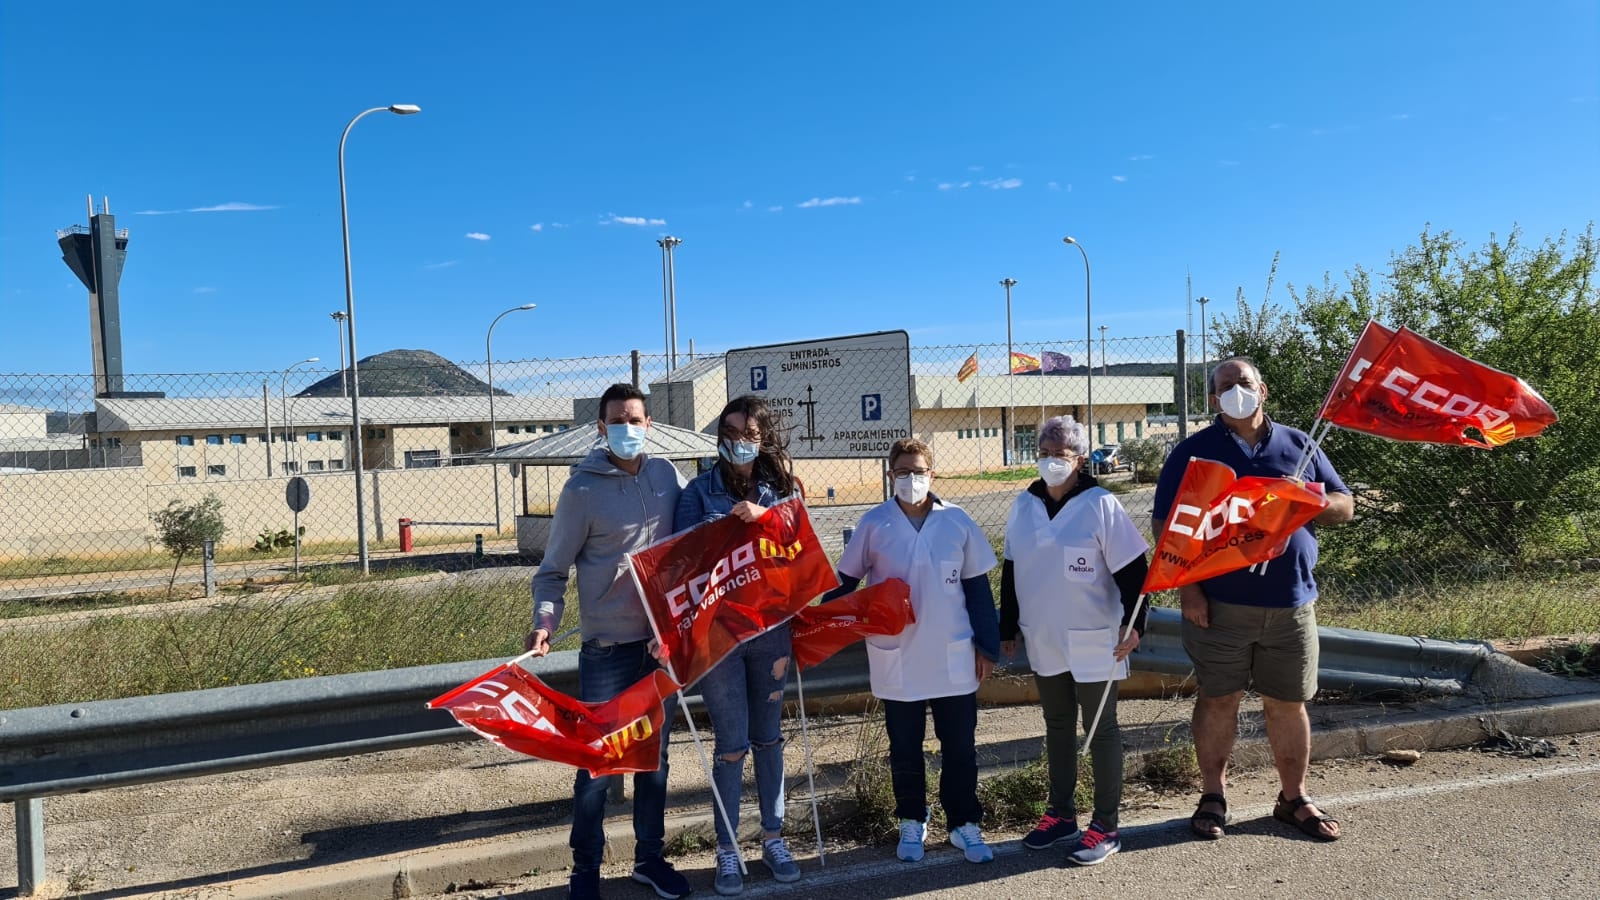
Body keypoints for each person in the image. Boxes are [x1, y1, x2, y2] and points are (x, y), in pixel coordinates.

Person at [1153, 357, 1354, 843]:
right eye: (1226, 386)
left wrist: (1307, 500)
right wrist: (1190, 591)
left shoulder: (1299, 446)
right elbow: (1166, 527)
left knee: (1287, 704)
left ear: (1262, 390)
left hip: (1290, 604)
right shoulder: (1193, 453)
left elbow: (1344, 506)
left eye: (1244, 382)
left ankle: (1293, 799)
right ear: (1212, 400)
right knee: (1219, 700)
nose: (1236, 391)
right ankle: (1213, 795)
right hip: (1219, 607)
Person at [527, 383, 692, 900]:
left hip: (658, 647)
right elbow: (551, 572)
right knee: (596, 767)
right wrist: (545, 623)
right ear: (601, 429)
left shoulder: (668, 475)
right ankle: (585, 871)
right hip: (606, 651)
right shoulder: (580, 491)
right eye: (617, 421)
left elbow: (698, 536)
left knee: (654, 763)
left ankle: (650, 859)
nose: (628, 429)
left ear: (649, 424)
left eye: (636, 419)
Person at [822, 438, 1000, 865]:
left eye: (918, 470)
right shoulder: (874, 524)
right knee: (905, 745)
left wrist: (987, 646)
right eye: (902, 472)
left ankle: (963, 823)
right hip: (896, 653)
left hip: (953, 653)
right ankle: (911, 818)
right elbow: (844, 584)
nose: (911, 479)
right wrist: (814, 622)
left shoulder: (957, 521)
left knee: (959, 744)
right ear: (890, 476)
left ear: (932, 473)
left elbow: (977, 590)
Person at [999, 415, 1150, 866]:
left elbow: (1135, 573)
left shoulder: (1101, 505)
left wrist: (1135, 624)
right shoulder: (1023, 505)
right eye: (1043, 454)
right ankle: (1060, 814)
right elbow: (1010, 569)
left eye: (1060, 456)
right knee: (1058, 725)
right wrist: (1008, 627)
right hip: (1043, 637)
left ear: (1080, 460)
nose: (1050, 462)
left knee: (1100, 729)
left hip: (1096, 638)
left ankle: (1106, 824)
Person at [673, 396, 803, 896]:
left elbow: (797, 552)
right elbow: (679, 561)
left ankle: (773, 836)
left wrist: (766, 518)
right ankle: (727, 848)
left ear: (763, 438)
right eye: (729, 430)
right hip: (719, 637)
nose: (738, 440)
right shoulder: (696, 492)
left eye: (748, 432)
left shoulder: (782, 490)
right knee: (731, 746)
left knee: (769, 738)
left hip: (770, 632)